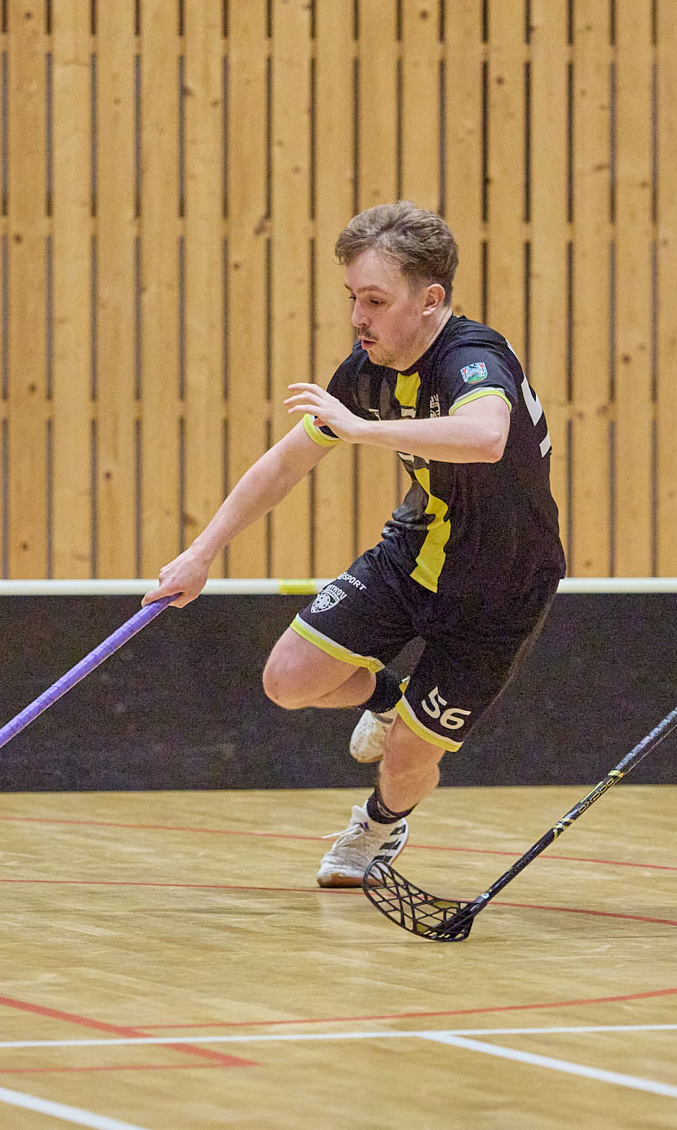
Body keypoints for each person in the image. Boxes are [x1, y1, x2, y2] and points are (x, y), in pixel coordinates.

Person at [145, 201, 564, 886]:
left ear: (430, 300)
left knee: (407, 759)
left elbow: (486, 435)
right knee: (288, 681)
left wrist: (364, 430)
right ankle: (388, 697)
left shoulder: (472, 358)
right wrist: (203, 552)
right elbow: (285, 462)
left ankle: (376, 827)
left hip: (501, 589)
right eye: (352, 298)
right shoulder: (368, 371)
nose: (358, 318)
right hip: (414, 555)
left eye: (375, 300)